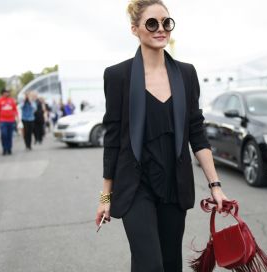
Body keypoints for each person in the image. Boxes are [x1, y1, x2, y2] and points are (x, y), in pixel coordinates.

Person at [95, 1, 229, 271]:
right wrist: (105, 198)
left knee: (169, 263)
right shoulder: (117, 75)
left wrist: (215, 185)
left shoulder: (186, 74)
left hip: (173, 184)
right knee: (150, 264)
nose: (161, 29)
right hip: (135, 186)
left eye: (166, 23)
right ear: (135, 29)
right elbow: (112, 140)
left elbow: (197, 132)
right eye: (152, 23)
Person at [0, 88, 18, 155]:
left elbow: (15, 109)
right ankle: (4, 148)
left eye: (8, 92)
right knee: (4, 134)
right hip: (3, 121)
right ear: (3, 93)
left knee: (9, 135)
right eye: (6, 92)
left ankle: (9, 148)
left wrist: (16, 116)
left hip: (11, 120)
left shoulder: (11, 100)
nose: (7, 93)